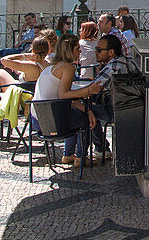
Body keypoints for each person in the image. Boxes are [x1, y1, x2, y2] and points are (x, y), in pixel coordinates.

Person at [31, 36, 100, 165]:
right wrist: (89, 91)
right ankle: (80, 157)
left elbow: (64, 100)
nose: (80, 52)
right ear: (69, 51)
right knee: (85, 119)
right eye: (77, 49)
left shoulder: (49, 68)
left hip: (37, 122)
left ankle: (68, 155)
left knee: (75, 113)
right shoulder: (67, 68)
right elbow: (64, 95)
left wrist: (86, 108)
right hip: (53, 123)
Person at [82, 34, 139, 157]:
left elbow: (93, 88)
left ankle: (100, 148)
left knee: (85, 111)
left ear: (111, 52)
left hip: (117, 110)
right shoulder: (129, 61)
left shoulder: (113, 66)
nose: (95, 52)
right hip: (134, 108)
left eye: (98, 50)